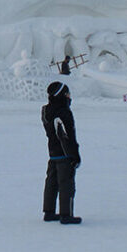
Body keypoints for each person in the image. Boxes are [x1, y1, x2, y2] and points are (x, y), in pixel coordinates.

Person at [41, 81, 81, 224]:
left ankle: (49, 212)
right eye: (67, 94)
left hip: (53, 153)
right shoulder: (63, 112)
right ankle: (66, 214)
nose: (69, 97)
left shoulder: (46, 111)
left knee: (51, 183)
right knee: (66, 185)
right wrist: (74, 155)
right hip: (65, 155)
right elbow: (67, 136)